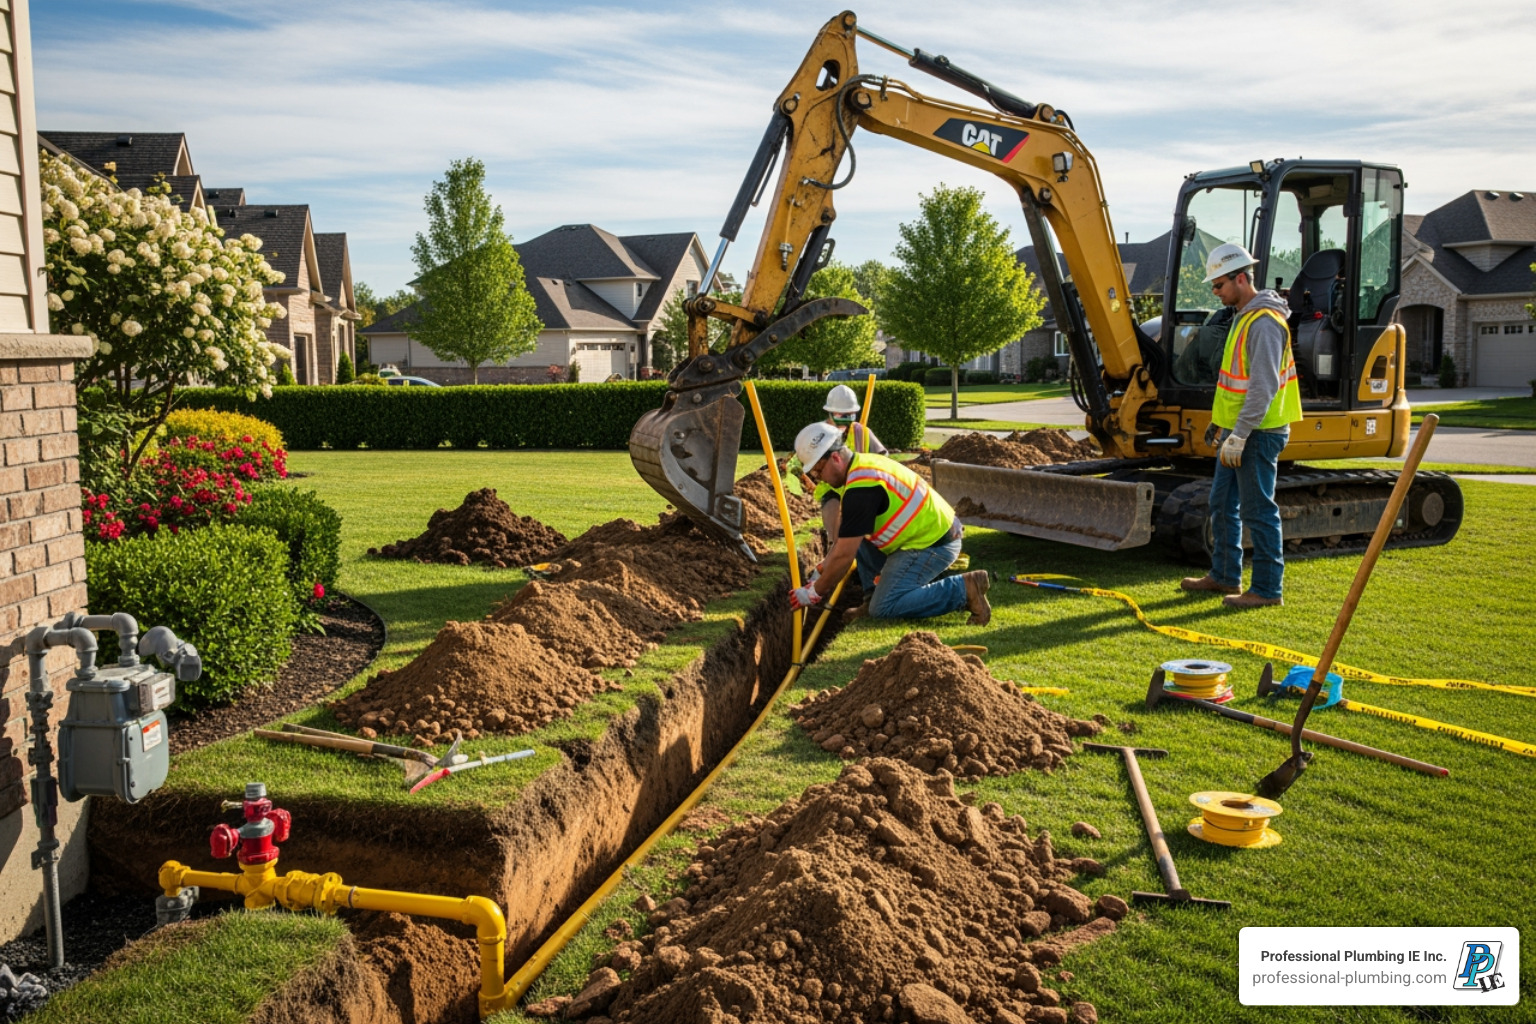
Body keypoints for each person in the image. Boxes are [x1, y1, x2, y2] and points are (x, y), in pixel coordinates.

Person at [1180, 242, 1303, 608]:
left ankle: (1266, 589)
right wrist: (1222, 426)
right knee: (1221, 503)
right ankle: (1224, 576)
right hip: (1238, 433)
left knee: (1258, 510)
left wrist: (1242, 434)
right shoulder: (1244, 317)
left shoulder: (1265, 323)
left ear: (1240, 278)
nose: (1214, 292)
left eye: (1218, 285)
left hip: (1258, 433)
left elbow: (1263, 387)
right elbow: (1235, 382)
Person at [788, 421, 991, 624]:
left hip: (932, 544)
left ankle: (964, 589)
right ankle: (872, 597)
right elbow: (844, 540)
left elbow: (844, 556)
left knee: (884, 607)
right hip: (924, 534)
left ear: (835, 458)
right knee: (856, 536)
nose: (819, 479)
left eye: (819, 470)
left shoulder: (862, 487)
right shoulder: (861, 465)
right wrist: (821, 570)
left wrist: (814, 593)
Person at [815, 383, 887, 539]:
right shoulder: (820, 434)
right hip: (832, 491)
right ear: (830, 413)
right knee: (837, 533)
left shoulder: (863, 432)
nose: (847, 420)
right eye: (842, 415)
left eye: (850, 415)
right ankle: (836, 550)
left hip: (860, 490)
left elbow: (883, 460)